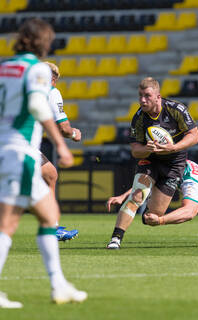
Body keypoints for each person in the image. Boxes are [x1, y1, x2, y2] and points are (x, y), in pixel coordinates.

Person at [0, 18, 87, 308]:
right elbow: (38, 105)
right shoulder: (36, 70)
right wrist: (61, 144)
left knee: (50, 217)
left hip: (5, 150)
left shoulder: (4, 68)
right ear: (43, 43)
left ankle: (59, 285)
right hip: (19, 151)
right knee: (8, 225)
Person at [106, 77, 198, 249]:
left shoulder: (176, 109)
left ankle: (148, 193)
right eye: (140, 95)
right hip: (150, 160)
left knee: (154, 216)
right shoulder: (139, 118)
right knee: (136, 197)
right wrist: (147, 149)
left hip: (174, 164)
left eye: (147, 96)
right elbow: (135, 150)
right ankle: (115, 239)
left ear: (158, 96)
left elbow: (195, 136)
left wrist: (173, 147)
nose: (142, 100)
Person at [41, 62, 81, 241]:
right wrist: (74, 134)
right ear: (54, 80)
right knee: (49, 176)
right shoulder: (51, 91)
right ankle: (52, 227)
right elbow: (64, 128)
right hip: (19, 143)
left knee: (49, 175)